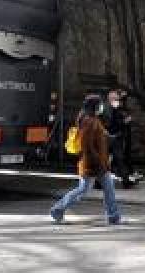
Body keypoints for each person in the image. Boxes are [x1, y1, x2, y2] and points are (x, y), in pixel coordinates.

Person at [50, 94, 122, 225]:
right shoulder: (89, 121)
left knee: (108, 188)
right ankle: (57, 209)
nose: (101, 107)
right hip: (92, 164)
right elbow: (86, 145)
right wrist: (99, 160)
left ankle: (114, 216)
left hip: (98, 163)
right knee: (82, 190)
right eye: (99, 104)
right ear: (94, 106)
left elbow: (99, 135)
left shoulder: (93, 119)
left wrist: (109, 137)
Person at [100, 88, 136, 188]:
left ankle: (125, 181)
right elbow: (111, 122)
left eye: (118, 99)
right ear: (110, 98)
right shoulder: (108, 108)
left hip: (112, 137)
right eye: (116, 98)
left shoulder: (111, 108)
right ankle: (125, 181)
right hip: (111, 137)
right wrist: (124, 122)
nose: (118, 100)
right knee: (116, 160)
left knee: (116, 160)